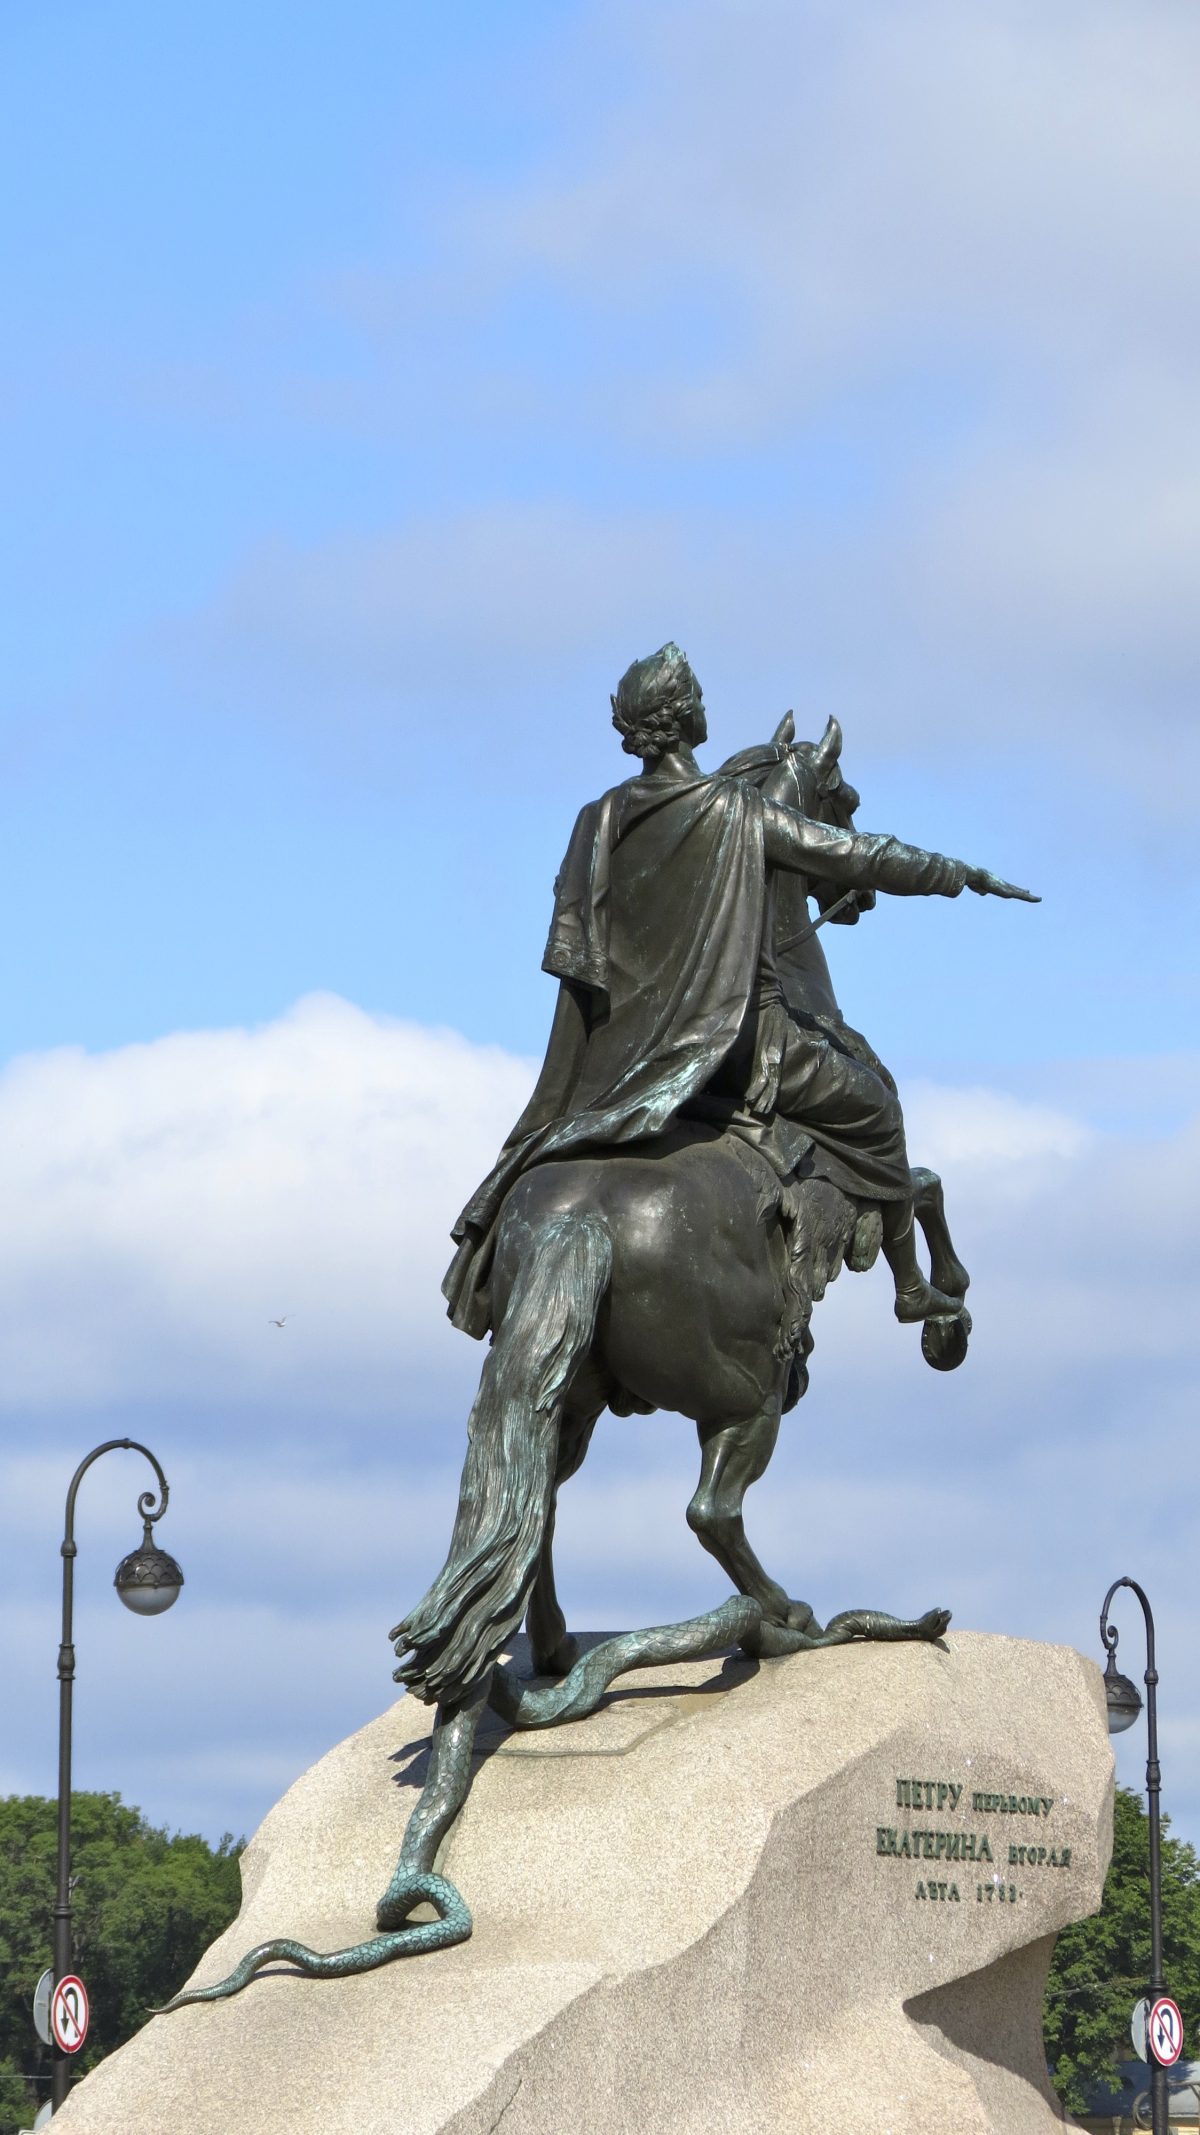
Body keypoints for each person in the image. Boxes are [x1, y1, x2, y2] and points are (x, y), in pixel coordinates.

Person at [443, 643, 1036, 1339]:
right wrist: (958, 872)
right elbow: (855, 855)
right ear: (689, 716)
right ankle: (910, 1286)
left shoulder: (595, 821)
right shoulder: (735, 810)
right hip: (738, 1048)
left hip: (623, 1062)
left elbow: (582, 966)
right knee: (878, 1110)